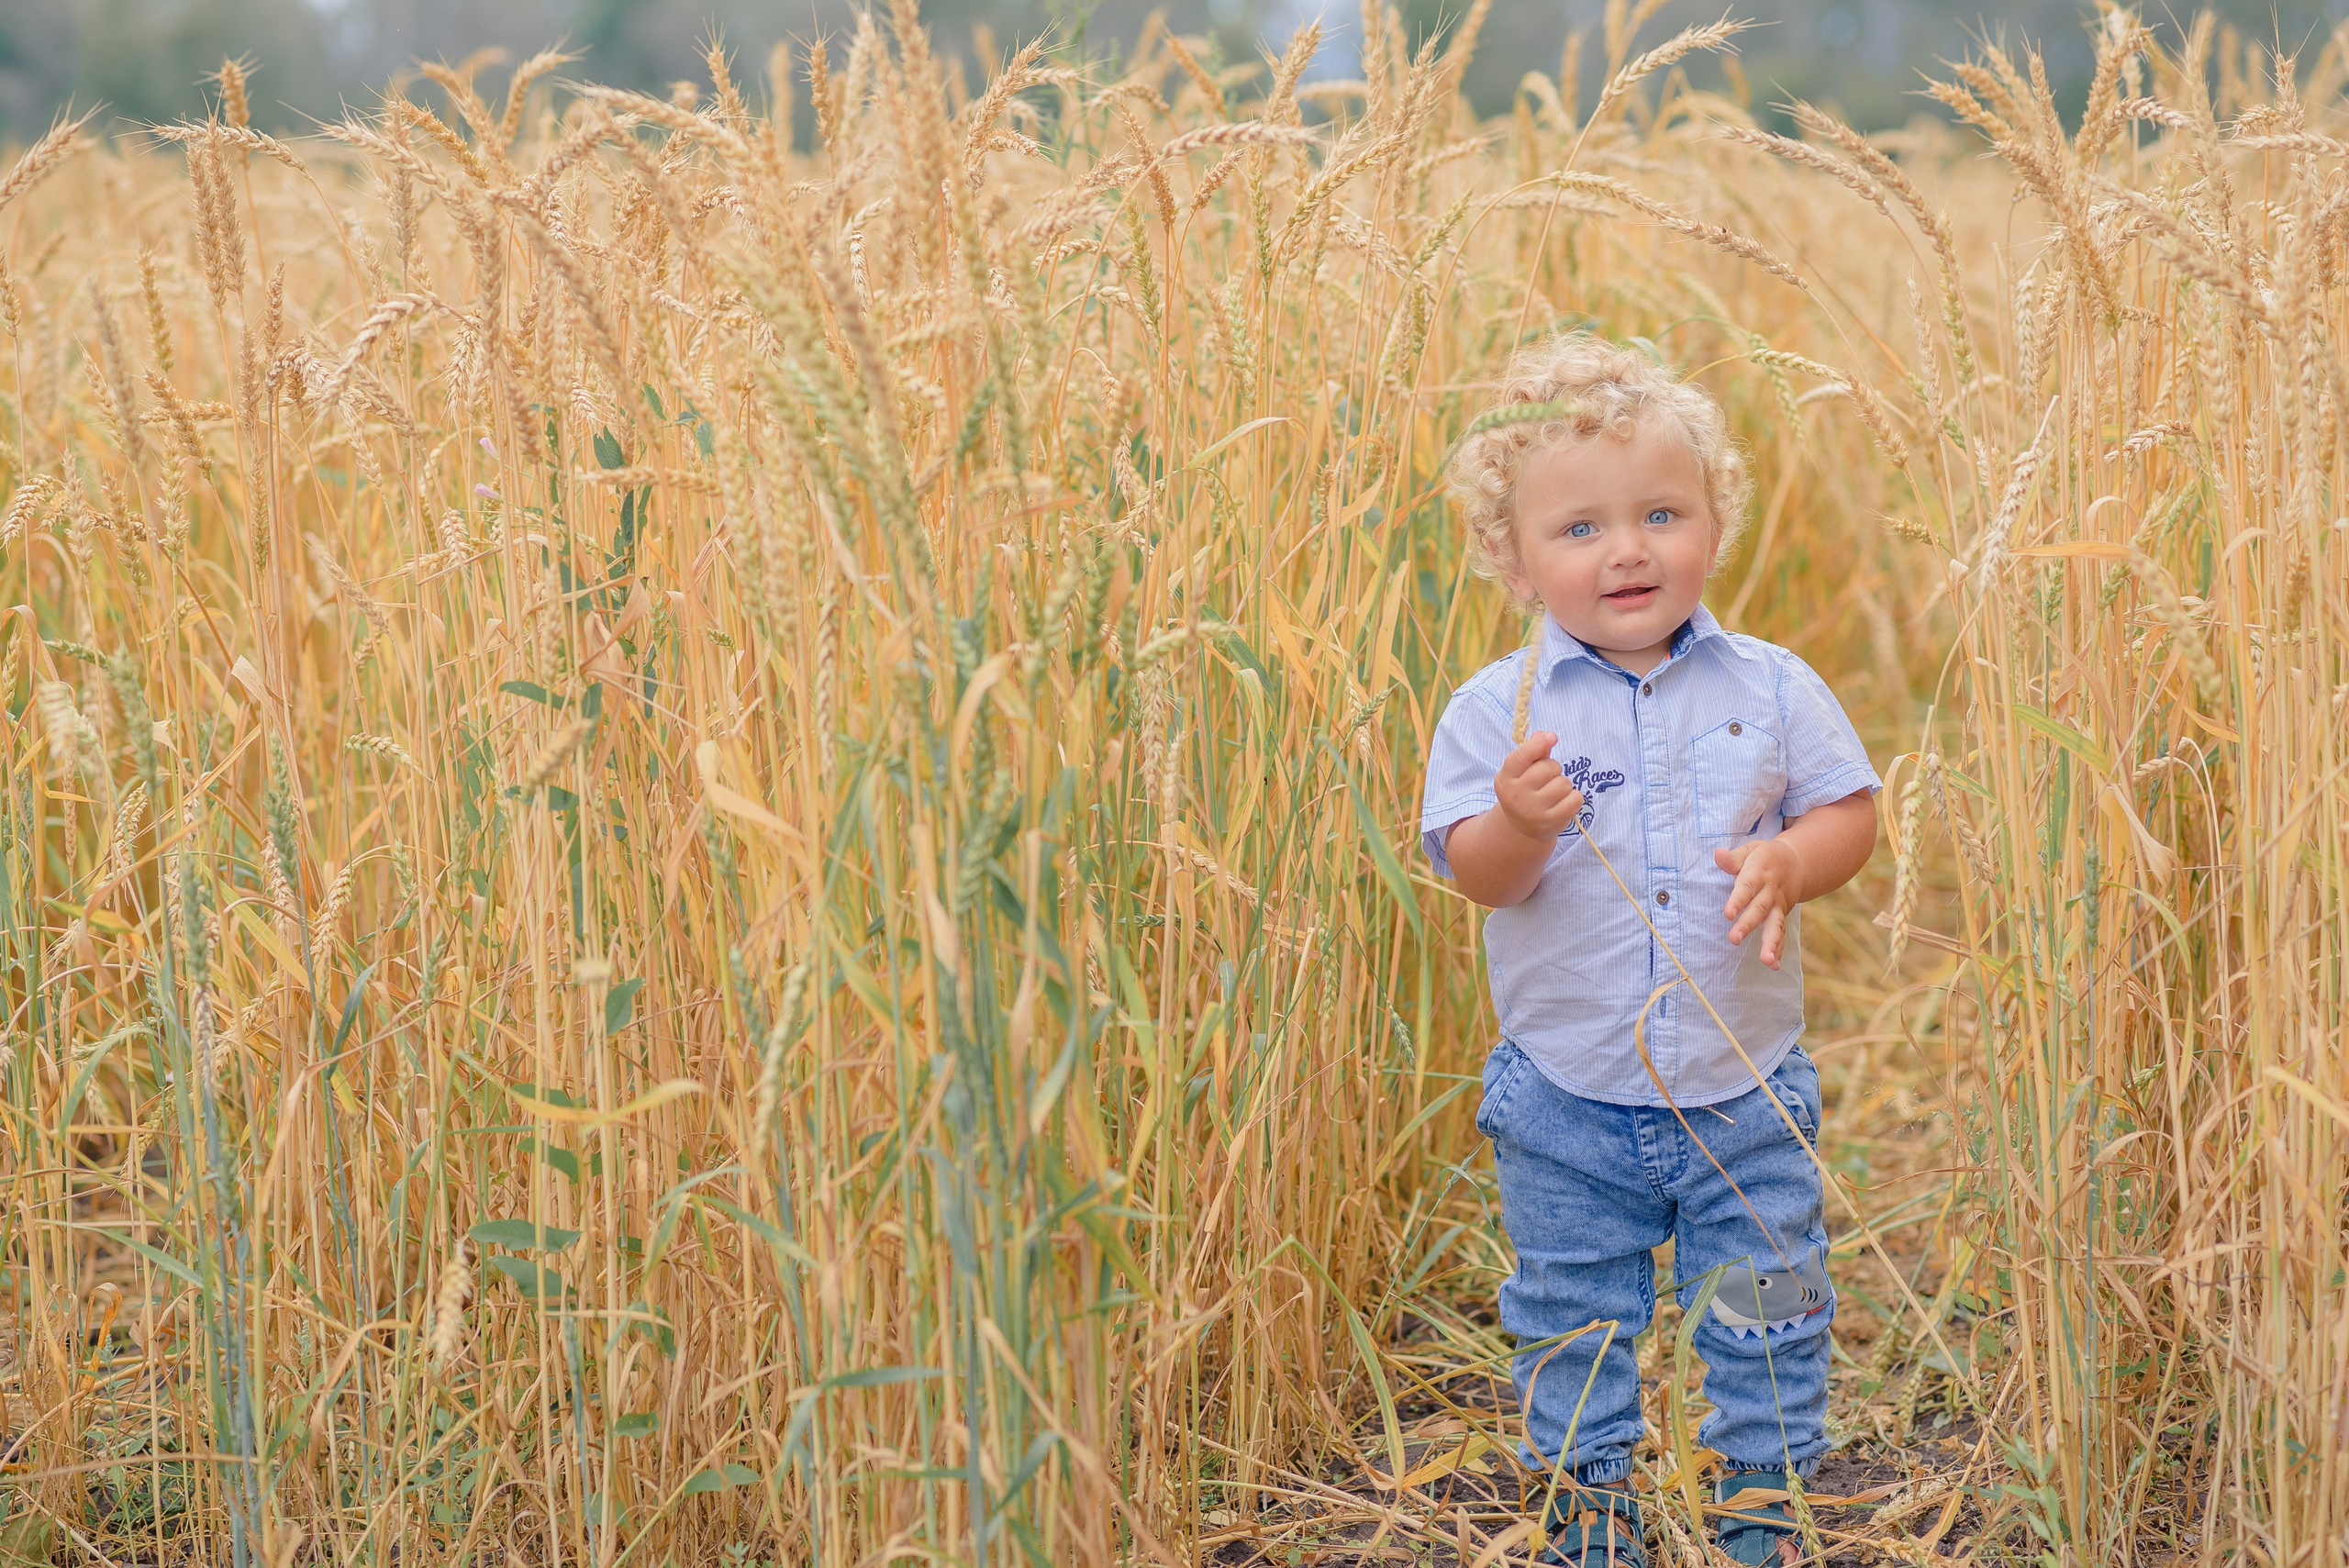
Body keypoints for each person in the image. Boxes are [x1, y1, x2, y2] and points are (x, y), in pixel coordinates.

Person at [1419, 336, 1879, 1566]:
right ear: (1512, 559)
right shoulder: (1498, 713)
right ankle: (1594, 1510)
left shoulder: (1772, 685)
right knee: (1574, 1315)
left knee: (1766, 1306)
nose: (1627, 548)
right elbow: (1473, 873)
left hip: (1741, 1086)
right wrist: (1516, 825)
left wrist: (1796, 857)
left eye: (1661, 513)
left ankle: (1761, 1505)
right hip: (1568, 1093)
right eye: (1580, 529)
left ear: (1713, 526)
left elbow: (1849, 812)